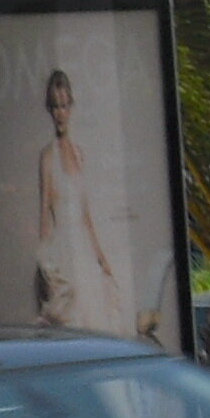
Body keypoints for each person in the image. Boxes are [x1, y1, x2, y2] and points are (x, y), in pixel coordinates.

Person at [33, 67, 131, 337]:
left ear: (71, 107)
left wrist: (102, 258)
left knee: (98, 316)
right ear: (50, 111)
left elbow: (85, 213)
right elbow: (44, 214)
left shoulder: (80, 154)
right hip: (63, 251)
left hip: (84, 251)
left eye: (64, 106)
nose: (60, 113)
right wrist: (44, 262)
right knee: (72, 322)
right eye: (55, 107)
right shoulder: (47, 157)